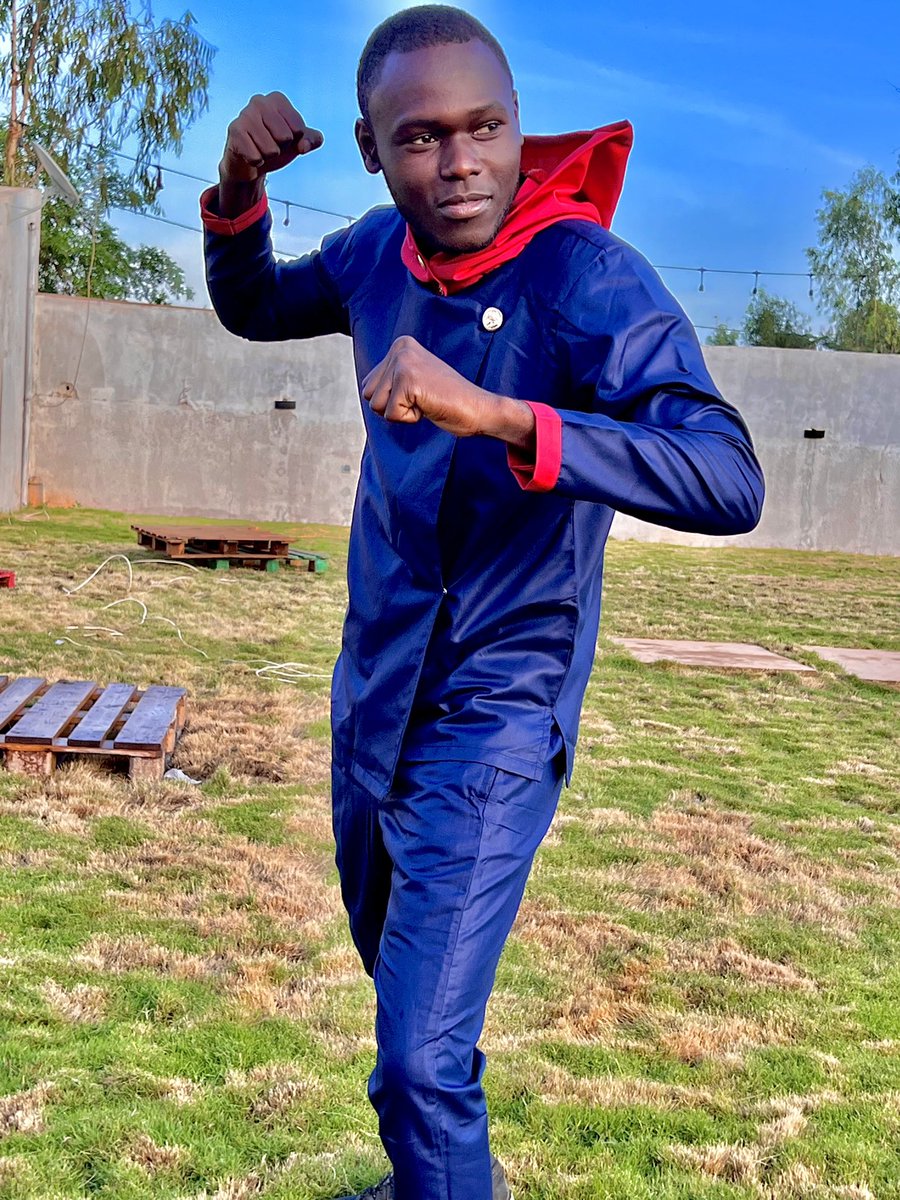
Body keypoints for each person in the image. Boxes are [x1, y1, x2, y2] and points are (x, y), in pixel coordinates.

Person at [202, 7, 765, 1198]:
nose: (460, 163)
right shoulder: (374, 255)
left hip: (501, 702)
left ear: (517, 126)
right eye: (421, 137)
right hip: (377, 687)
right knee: (410, 1000)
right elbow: (254, 305)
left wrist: (503, 415)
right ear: (372, 149)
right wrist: (239, 188)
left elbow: (727, 477)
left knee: (416, 1059)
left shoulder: (585, 275)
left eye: (486, 128)